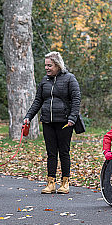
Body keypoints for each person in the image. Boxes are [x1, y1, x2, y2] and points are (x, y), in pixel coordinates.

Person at [24, 51, 81, 195]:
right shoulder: (44, 81)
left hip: (64, 122)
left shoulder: (70, 79)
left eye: (49, 65)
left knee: (64, 152)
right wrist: (28, 117)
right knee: (51, 154)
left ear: (57, 65)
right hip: (47, 122)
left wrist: (72, 119)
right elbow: (38, 101)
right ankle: (50, 183)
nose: (47, 68)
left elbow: (76, 100)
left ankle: (65, 182)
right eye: (46, 65)